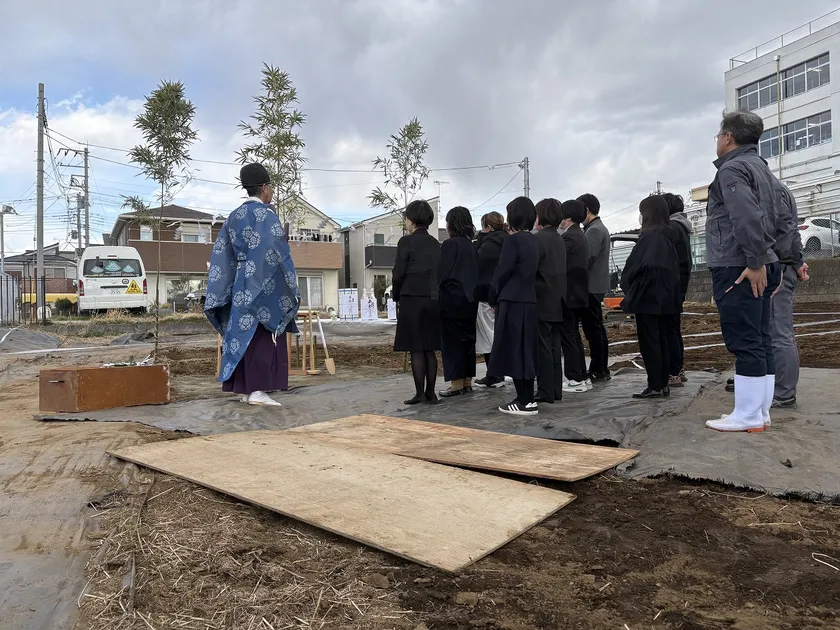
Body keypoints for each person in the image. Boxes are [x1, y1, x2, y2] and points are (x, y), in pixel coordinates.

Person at [705, 110, 781, 433]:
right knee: (761, 338)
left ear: (728, 138)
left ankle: (748, 415)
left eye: (719, 135)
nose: (718, 141)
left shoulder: (732, 169)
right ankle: (759, 412)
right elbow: (787, 213)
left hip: (740, 266)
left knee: (745, 338)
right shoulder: (763, 169)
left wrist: (754, 263)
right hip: (765, 261)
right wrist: (782, 261)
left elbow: (746, 217)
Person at [205, 163, 301, 407]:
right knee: (262, 335)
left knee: (241, 334)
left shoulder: (233, 216)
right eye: (270, 187)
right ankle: (257, 390)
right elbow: (277, 252)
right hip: (263, 282)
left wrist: (226, 288)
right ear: (263, 188)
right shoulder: (267, 215)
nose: (271, 192)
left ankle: (246, 390)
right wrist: (287, 284)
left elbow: (221, 256)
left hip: (240, 284)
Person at [621, 196, 682, 398]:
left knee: (650, 343)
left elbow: (634, 268)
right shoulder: (670, 236)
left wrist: (628, 285)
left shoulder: (648, 237)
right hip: (666, 298)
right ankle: (662, 383)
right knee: (662, 340)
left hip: (648, 298)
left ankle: (655, 384)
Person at [488, 197, 540, 416]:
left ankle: (524, 400)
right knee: (525, 350)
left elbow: (502, 270)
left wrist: (492, 295)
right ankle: (528, 398)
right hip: (530, 300)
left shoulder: (513, 241)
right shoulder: (535, 241)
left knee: (513, 349)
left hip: (511, 301)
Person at [392, 199, 442, 405]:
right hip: (433, 299)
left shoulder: (406, 242)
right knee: (429, 347)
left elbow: (398, 273)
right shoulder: (436, 244)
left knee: (416, 348)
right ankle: (432, 393)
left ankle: (419, 393)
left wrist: (396, 295)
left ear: (411, 220)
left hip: (412, 298)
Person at [769, 183, 809, 409]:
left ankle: (783, 393)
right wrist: (797, 261)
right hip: (783, 265)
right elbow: (791, 232)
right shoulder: (781, 189)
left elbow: (785, 230)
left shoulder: (770, 190)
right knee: (776, 331)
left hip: (776, 268)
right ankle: (774, 386)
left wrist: (789, 262)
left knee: (779, 332)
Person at [438, 206, 480, 397]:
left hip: (453, 298)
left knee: (453, 341)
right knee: (468, 339)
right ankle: (467, 381)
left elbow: (443, 274)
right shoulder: (471, 244)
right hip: (471, 299)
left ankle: (456, 384)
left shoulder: (450, 244)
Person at [534, 198, 567, 404]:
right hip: (558, 298)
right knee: (555, 346)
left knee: (542, 347)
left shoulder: (538, 240)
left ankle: (545, 391)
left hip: (541, 298)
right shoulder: (559, 239)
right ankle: (555, 389)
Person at [559, 199, 591, 394]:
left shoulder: (569, 238)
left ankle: (575, 377)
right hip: (579, 293)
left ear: (568, 217)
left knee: (568, 336)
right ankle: (582, 375)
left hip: (568, 294)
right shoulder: (580, 235)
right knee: (574, 336)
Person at [473, 211, 509, 388]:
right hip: (505, 295)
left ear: (487, 226)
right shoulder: (508, 240)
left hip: (487, 295)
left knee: (488, 337)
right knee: (501, 335)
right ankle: (502, 371)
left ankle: (494, 374)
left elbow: (477, 267)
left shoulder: (487, 246)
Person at [578, 193, 611, 381]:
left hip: (591, 286)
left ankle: (598, 368)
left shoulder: (594, 231)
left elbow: (586, 260)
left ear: (587, 209)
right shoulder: (597, 228)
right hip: (596, 285)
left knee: (594, 330)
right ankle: (601, 368)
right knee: (597, 328)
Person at [662, 192, 693, 388]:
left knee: (669, 331)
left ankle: (673, 371)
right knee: (674, 330)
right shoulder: (681, 226)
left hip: (670, 287)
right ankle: (678, 369)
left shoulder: (672, 228)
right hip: (679, 286)